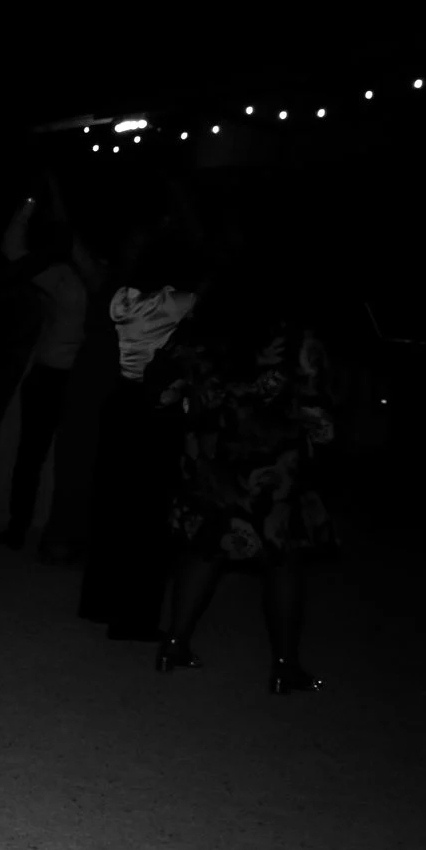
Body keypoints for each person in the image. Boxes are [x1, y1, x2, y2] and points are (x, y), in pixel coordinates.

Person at [155, 289, 336, 690]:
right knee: (281, 558)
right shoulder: (295, 337)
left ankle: (173, 643)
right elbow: (317, 412)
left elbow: (167, 387)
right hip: (271, 464)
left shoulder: (200, 327)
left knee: (205, 546)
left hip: (211, 457)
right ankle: (285, 666)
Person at [75, 242, 200, 639]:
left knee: (112, 503)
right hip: (155, 411)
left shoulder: (122, 299)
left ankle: (100, 602)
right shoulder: (181, 302)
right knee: (149, 514)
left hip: (122, 403)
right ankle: (134, 617)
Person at [0, 193, 101, 556]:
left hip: (83, 379)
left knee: (64, 458)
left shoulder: (97, 278)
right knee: (34, 456)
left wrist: (37, 200)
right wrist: (30, 201)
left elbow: (15, 249)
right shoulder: (64, 277)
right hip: (54, 375)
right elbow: (13, 250)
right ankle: (22, 526)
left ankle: (48, 531)